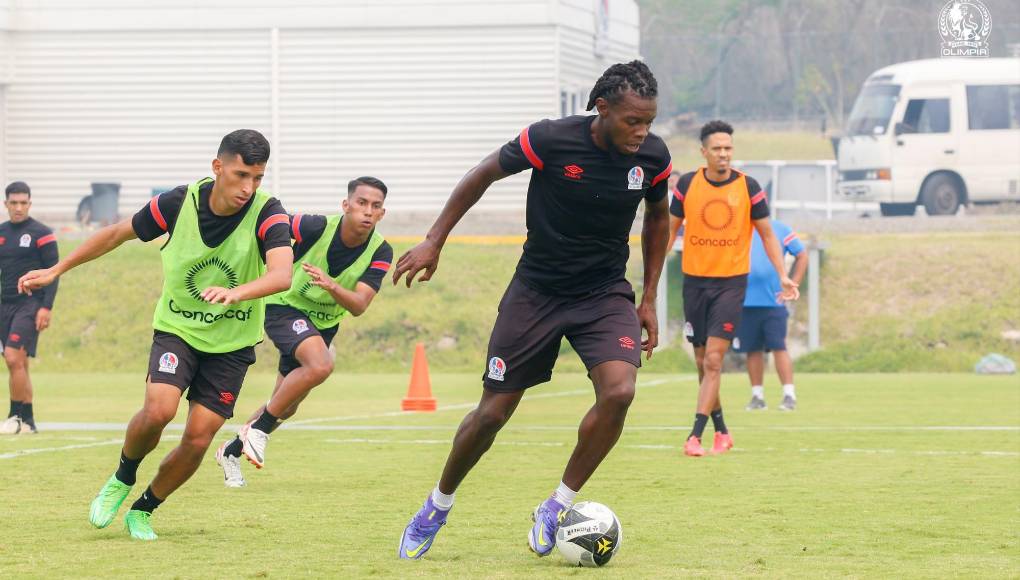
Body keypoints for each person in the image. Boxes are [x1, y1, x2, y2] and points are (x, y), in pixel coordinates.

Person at [392, 60, 672, 560]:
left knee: (620, 391)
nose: (642, 131)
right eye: (633, 120)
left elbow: (657, 217)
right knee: (492, 414)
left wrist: (648, 296)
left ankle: (557, 506)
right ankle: (437, 505)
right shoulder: (548, 140)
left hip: (604, 293)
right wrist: (435, 239)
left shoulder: (652, 156)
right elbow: (481, 175)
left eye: (649, 121)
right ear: (602, 109)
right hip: (536, 291)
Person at [18, 129, 293, 540]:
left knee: (199, 439)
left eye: (257, 177)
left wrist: (238, 293)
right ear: (218, 167)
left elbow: (282, 274)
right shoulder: (177, 203)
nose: (248, 187)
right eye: (240, 175)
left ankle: (143, 510)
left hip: (231, 344)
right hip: (178, 330)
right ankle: (122, 477)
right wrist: (57, 270)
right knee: (159, 410)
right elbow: (115, 234)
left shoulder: (269, 212)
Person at [215, 176, 393, 487]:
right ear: (346, 205)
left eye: (375, 206)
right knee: (321, 364)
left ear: (382, 214)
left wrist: (331, 285)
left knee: (286, 404)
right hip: (284, 307)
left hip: (323, 325)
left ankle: (231, 450)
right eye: (362, 203)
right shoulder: (314, 227)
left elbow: (359, 304)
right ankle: (258, 431)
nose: (367, 211)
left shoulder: (381, 251)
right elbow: (270, 227)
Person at [666, 120, 798, 458]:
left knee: (713, 360)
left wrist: (783, 274)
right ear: (704, 152)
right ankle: (722, 430)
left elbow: (768, 235)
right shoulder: (688, 185)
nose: (723, 154)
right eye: (717, 149)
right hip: (694, 282)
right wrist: (650, 277)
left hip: (730, 284)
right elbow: (668, 230)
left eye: (728, 148)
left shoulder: (748, 187)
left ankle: (694, 436)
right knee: (701, 361)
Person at [0, 182, 58, 435]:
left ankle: (14, 416)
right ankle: (29, 421)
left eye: (24, 202)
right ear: (6, 204)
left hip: (30, 304)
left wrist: (46, 307)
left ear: (30, 203)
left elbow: (54, 273)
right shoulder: (1, 233)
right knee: (19, 363)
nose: (19, 207)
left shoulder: (41, 232)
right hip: (6, 305)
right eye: (14, 203)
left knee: (13, 357)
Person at [735, 219, 807, 411]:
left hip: (774, 301)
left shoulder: (780, 228)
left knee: (778, 346)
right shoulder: (737, 226)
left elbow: (801, 254)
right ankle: (757, 397)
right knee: (752, 349)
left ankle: (789, 395)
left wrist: (793, 284)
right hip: (744, 301)